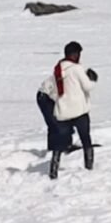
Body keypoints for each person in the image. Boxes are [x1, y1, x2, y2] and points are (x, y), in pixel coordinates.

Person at [50, 42, 98, 180]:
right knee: (85, 139)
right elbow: (88, 86)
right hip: (78, 110)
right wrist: (93, 79)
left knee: (59, 143)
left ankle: (54, 170)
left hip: (63, 111)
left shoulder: (58, 68)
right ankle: (89, 167)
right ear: (75, 54)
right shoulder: (76, 69)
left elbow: (54, 91)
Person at [36, 74, 63, 154]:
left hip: (48, 96)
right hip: (45, 96)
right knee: (54, 123)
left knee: (56, 123)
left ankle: (55, 148)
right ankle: (54, 149)